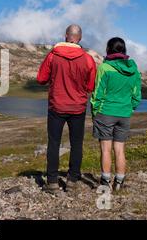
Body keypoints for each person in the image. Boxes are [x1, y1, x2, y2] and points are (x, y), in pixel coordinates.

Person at [37, 24, 97, 194]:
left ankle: (52, 182)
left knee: (54, 143)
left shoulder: (53, 56)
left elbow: (41, 79)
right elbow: (91, 85)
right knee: (77, 144)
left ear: (65, 36)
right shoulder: (87, 59)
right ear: (80, 38)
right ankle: (72, 181)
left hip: (57, 106)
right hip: (78, 108)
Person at [90, 37, 141, 192]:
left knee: (105, 149)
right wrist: (130, 108)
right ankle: (119, 182)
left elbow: (97, 93)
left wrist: (94, 111)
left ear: (108, 49)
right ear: (123, 50)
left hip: (105, 113)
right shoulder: (133, 68)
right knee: (120, 149)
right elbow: (136, 94)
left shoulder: (105, 68)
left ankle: (105, 181)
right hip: (124, 114)